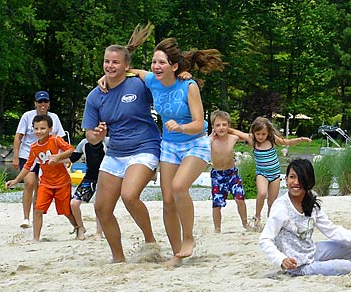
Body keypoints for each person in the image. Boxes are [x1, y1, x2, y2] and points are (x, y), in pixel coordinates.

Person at [125, 37, 223, 265]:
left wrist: (181, 127)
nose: (155, 67)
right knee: (168, 200)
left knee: (179, 187)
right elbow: (132, 71)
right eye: (154, 62)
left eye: (161, 63)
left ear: (174, 66)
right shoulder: (152, 80)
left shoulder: (189, 86)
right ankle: (177, 253)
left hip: (195, 143)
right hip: (169, 145)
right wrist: (105, 77)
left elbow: (199, 124)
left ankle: (188, 239)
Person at [83, 23, 161, 263]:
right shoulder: (96, 95)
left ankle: (150, 241)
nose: (110, 66)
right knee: (101, 208)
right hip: (116, 152)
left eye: (115, 62)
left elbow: (163, 84)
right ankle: (118, 258)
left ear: (126, 65)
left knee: (129, 195)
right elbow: (90, 136)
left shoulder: (138, 85)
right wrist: (96, 134)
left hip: (145, 147)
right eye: (107, 62)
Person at [258, 159, 351, 276]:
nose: (296, 182)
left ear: (309, 181)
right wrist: (281, 260)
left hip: (313, 251)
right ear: (286, 179)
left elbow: (331, 230)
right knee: (345, 266)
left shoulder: (311, 200)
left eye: (301, 178)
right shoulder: (281, 207)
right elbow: (265, 239)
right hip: (299, 265)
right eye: (292, 177)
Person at [230, 117, 311, 231]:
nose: (260, 137)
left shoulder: (272, 139)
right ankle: (257, 217)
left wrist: (302, 139)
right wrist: (221, 129)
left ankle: (271, 221)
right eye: (258, 134)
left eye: (263, 134)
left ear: (268, 133)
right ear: (253, 132)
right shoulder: (252, 140)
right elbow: (235, 132)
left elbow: (288, 142)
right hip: (262, 173)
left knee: (272, 201)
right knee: (262, 193)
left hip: (275, 174)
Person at [6, 115, 77, 241]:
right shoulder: (34, 147)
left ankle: (78, 227)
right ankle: (36, 238)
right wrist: (16, 180)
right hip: (46, 183)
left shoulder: (55, 140)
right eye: (36, 128)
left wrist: (58, 157)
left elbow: (71, 150)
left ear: (50, 129)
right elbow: (28, 166)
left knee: (66, 211)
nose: (39, 131)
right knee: (38, 209)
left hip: (62, 182)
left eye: (43, 128)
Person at [12, 90, 66, 228]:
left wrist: (62, 157)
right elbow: (18, 137)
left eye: (45, 102)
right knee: (29, 183)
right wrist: (16, 157)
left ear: (48, 104)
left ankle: (37, 216)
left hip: (46, 157)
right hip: (28, 154)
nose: (42, 104)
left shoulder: (54, 117)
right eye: (40, 102)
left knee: (40, 187)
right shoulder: (27, 116)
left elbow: (60, 139)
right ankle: (26, 218)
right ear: (35, 103)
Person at [209, 110, 250, 233]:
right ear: (213, 127)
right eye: (218, 125)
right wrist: (211, 136)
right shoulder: (210, 140)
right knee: (217, 204)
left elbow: (247, 136)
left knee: (240, 198)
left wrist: (231, 131)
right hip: (217, 175)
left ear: (229, 126)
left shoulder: (233, 138)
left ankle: (245, 223)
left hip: (232, 173)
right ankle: (217, 229)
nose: (221, 127)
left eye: (224, 125)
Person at [68, 137, 109, 240]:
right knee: (74, 203)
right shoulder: (84, 143)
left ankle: (99, 232)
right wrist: (57, 158)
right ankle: (80, 228)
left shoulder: (107, 141)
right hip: (89, 178)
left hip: (104, 177)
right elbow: (73, 157)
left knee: (98, 205)